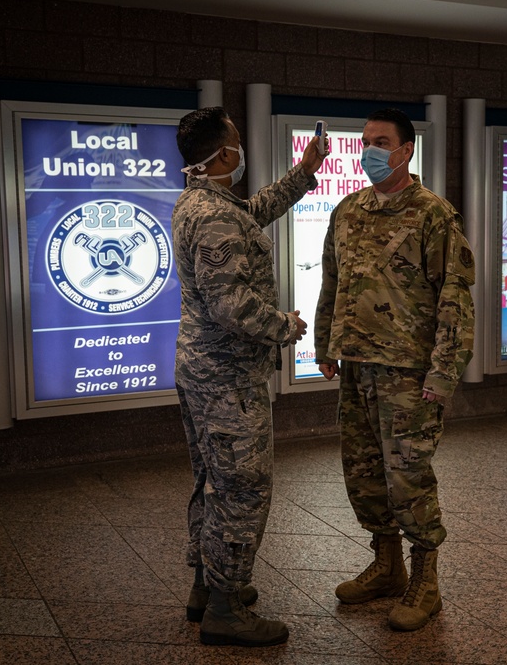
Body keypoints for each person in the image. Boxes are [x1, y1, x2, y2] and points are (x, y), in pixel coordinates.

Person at [314, 108, 475, 632]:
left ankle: (425, 581)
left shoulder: (433, 215)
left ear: (406, 150)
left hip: (408, 372)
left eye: (381, 142)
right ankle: (386, 566)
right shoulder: (348, 210)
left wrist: (444, 373)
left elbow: (455, 297)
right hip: (356, 365)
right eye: (364, 142)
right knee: (362, 474)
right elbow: (331, 283)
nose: (369, 152)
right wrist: (324, 344)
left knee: (407, 476)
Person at [172, 107, 327, 647]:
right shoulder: (212, 215)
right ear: (221, 156)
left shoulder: (205, 202)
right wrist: (285, 325)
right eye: (236, 142)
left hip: (205, 372)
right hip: (227, 379)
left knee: (211, 480)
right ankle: (226, 607)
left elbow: (254, 211)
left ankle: (207, 584)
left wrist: (305, 172)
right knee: (242, 488)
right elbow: (231, 307)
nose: (241, 150)